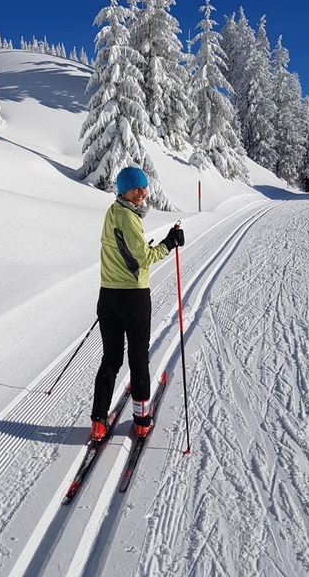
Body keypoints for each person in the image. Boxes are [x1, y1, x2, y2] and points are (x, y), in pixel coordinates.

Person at [90, 166, 185, 440]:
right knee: (138, 356)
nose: (142, 192)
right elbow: (144, 259)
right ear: (123, 191)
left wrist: (142, 247)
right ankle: (142, 420)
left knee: (111, 358)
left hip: (108, 296)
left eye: (144, 186)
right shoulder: (128, 218)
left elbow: (123, 250)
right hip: (133, 297)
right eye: (135, 188)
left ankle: (98, 421)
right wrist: (169, 243)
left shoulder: (113, 212)